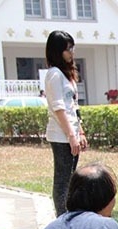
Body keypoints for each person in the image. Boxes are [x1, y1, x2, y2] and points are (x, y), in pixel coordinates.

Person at [45, 30, 87, 216]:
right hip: (61, 136)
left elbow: (73, 107)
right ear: (57, 51)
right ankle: (62, 218)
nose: (71, 52)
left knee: (71, 178)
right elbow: (58, 108)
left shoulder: (66, 75)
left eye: (72, 47)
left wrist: (80, 132)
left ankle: (68, 215)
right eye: (67, 49)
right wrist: (71, 135)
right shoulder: (54, 74)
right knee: (63, 180)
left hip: (71, 134)